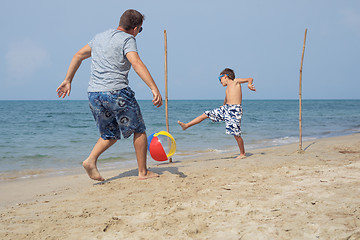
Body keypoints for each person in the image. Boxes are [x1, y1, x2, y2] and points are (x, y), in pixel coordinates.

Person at [56, 9, 162, 181]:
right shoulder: (128, 39)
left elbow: (78, 55)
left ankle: (90, 160)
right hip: (116, 92)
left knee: (110, 134)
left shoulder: (99, 37)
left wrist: (68, 80)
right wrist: (154, 88)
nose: (138, 33)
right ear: (135, 28)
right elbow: (136, 62)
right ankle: (143, 172)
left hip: (94, 94)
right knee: (139, 130)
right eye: (140, 30)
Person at [178, 68, 255, 159]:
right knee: (205, 114)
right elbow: (227, 99)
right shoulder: (227, 89)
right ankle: (186, 125)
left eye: (220, 79)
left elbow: (250, 78)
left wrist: (249, 84)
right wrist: (223, 106)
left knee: (236, 134)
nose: (220, 81)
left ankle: (242, 154)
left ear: (225, 76)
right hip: (226, 109)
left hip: (235, 110)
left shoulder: (235, 81)